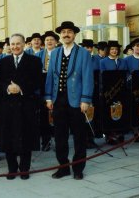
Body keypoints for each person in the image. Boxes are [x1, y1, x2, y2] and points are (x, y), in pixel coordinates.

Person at [45, 21, 93, 180]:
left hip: (77, 100)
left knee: (79, 135)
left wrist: (86, 99)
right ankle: (63, 167)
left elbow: (87, 77)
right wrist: (48, 97)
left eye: (69, 32)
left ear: (74, 34)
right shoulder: (55, 53)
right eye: (63, 32)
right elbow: (50, 76)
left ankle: (78, 168)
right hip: (58, 100)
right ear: (60, 34)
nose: (66, 34)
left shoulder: (83, 53)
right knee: (60, 135)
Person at [0, 33, 42, 180]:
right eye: (12, 44)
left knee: (26, 137)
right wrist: (8, 88)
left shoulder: (34, 61)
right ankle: (12, 168)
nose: (15, 46)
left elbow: (38, 81)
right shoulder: (3, 62)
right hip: (8, 106)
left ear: (24, 44)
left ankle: (24, 168)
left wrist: (21, 88)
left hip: (26, 105)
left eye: (18, 44)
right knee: (9, 137)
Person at [99, 40, 127, 144]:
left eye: (116, 49)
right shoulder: (103, 62)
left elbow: (127, 73)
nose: (114, 51)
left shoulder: (123, 61)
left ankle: (120, 133)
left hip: (121, 90)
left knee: (120, 111)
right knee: (110, 112)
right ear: (108, 50)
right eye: (112, 49)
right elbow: (102, 76)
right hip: (109, 91)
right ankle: (110, 135)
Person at [36, 31, 59, 151]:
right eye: (47, 40)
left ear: (56, 42)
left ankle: (59, 141)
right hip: (43, 87)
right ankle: (45, 142)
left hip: (57, 87)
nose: (49, 42)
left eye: (52, 40)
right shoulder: (39, 54)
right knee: (44, 115)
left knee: (58, 115)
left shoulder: (60, 53)